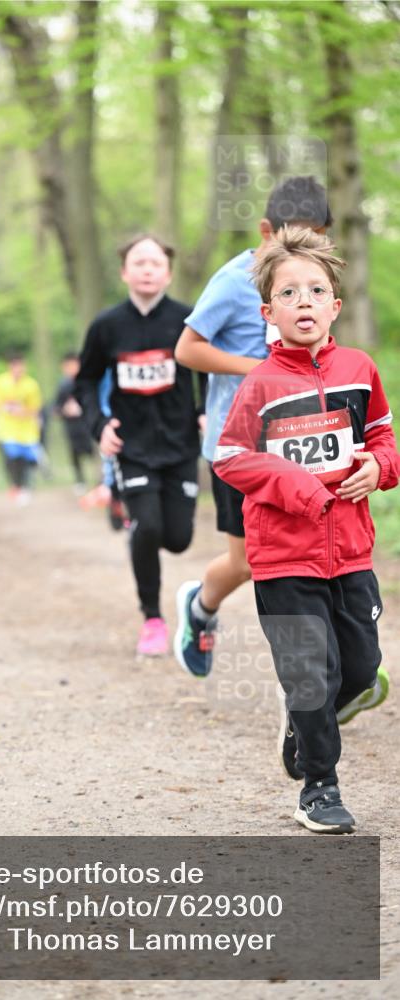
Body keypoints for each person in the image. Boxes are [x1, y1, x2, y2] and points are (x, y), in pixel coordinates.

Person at [213, 226, 398, 833]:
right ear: (269, 312)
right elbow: (232, 457)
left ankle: (303, 721)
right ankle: (319, 787)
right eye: (289, 294)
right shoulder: (260, 384)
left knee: (360, 669)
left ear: (334, 306)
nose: (305, 302)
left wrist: (379, 467)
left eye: (316, 290)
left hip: (350, 553)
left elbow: (383, 439)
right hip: (283, 557)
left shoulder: (359, 369)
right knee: (308, 675)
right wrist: (299, 489)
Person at [174, 175, 335, 677]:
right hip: (238, 446)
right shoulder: (235, 279)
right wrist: (258, 370)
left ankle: (332, 666)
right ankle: (200, 607)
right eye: (293, 240)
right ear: (267, 231)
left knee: (315, 553)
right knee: (249, 563)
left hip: (303, 445)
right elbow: (187, 349)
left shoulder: (317, 283)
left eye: (316, 241)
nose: (304, 251)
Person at [75, 234, 204, 657]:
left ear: (167, 272)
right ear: (124, 272)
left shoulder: (190, 319)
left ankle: (147, 537)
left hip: (180, 442)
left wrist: (205, 411)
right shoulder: (107, 325)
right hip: (131, 445)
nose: (147, 269)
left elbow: (208, 367)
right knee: (146, 527)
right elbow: (86, 380)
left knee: (179, 538)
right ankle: (152, 617)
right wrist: (99, 426)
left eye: (155, 263)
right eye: (139, 262)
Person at [0, 352, 42, 506]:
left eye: (21, 365)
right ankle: (17, 485)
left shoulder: (31, 385)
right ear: (9, 366)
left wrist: (22, 412)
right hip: (6, 429)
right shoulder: (0, 382)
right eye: (15, 366)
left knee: (27, 460)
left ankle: (25, 484)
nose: (18, 369)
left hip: (26, 429)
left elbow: (35, 409)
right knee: (11, 458)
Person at [54, 352, 95, 494]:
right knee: (75, 455)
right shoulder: (63, 385)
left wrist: (83, 408)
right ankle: (80, 481)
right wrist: (65, 409)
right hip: (71, 427)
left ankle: (100, 480)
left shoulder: (86, 383)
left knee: (93, 452)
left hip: (88, 425)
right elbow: (56, 408)